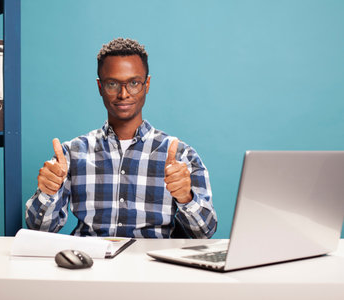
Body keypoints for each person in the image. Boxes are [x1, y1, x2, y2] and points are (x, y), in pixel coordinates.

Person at [25, 38, 217, 238]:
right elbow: (38, 230)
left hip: (153, 267)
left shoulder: (181, 154)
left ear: (147, 84)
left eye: (134, 83)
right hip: (91, 264)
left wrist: (186, 198)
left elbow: (205, 232)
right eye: (112, 84)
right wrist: (47, 193)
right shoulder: (71, 153)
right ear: (100, 87)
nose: (123, 94)